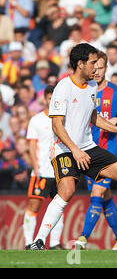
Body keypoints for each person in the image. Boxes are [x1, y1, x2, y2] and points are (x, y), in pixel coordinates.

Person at [29, 43, 117, 250]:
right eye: (93, 63)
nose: (96, 68)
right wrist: (75, 150)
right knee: (67, 190)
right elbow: (57, 125)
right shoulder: (63, 87)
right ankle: (38, 241)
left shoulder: (92, 86)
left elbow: (93, 116)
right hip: (64, 150)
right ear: (80, 64)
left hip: (87, 147)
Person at [74, 51, 117, 250]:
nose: (96, 71)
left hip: (109, 152)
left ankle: (82, 239)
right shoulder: (84, 91)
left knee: (97, 194)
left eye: (100, 68)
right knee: (105, 196)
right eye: (94, 67)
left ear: (106, 68)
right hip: (88, 151)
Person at [23, 85, 64, 250]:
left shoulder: (63, 119)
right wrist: (35, 167)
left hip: (59, 170)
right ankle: (28, 242)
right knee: (33, 206)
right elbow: (32, 146)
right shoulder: (37, 120)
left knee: (59, 206)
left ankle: (54, 243)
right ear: (46, 99)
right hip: (41, 171)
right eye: (49, 97)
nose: (52, 100)